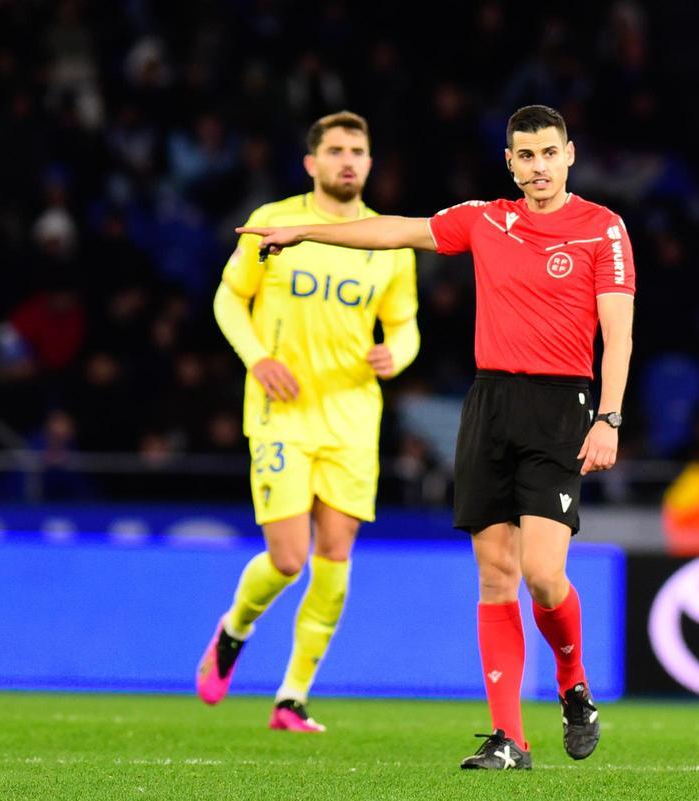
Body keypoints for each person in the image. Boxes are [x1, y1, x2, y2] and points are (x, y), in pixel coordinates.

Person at [238, 104, 636, 770]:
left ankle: (573, 683)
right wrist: (302, 230)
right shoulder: (486, 218)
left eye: (548, 153)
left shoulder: (603, 229)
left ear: (569, 155)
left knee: (543, 575)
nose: (537, 167)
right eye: (525, 156)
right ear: (509, 162)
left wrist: (610, 416)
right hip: (489, 405)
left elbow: (619, 333)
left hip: (561, 406)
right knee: (495, 573)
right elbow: (394, 230)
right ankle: (510, 737)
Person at [195, 111, 419, 732]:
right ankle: (235, 628)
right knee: (290, 557)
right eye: (337, 150)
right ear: (311, 163)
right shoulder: (273, 222)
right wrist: (258, 358)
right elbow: (227, 297)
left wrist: (394, 355)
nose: (349, 160)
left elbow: (405, 327)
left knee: (336, 552)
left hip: (352, 415)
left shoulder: (388, 241)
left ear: (370, 164)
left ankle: (292, 696)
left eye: (359, 151)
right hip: (281, 411)